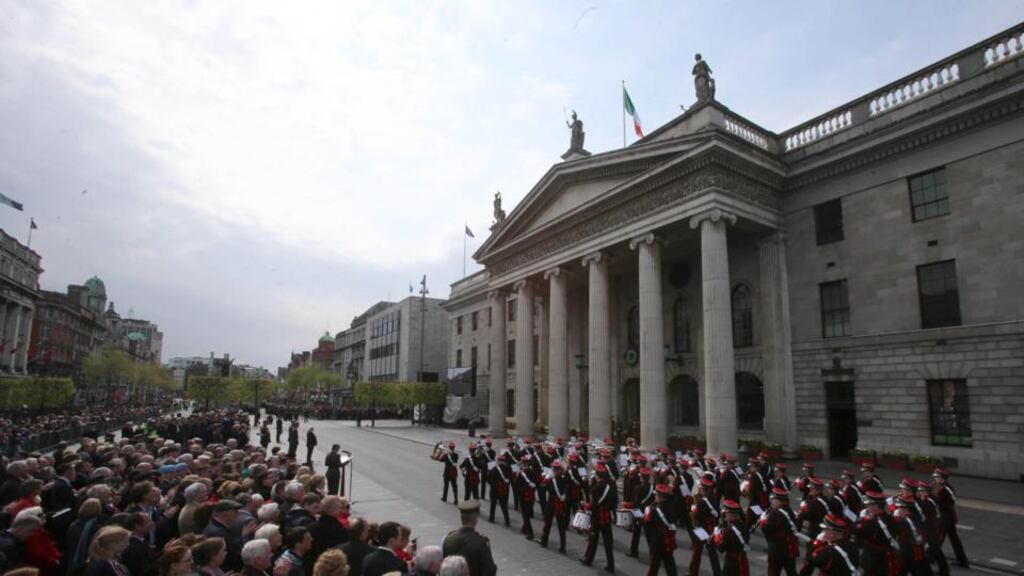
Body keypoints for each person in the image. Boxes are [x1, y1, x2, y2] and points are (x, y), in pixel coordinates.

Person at [441, 501, 496, 576]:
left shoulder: (448, 538)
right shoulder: (481, 542)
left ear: (461, 518)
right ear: (475, 519)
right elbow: (489, 571)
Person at [581, 462, 616, 573]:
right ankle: (611, 565)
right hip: (606, 517)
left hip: (597, 518)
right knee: (608, 543)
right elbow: (614, 504)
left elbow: (593, 505)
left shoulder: (595, 488)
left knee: (593, 539)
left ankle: (588, 560)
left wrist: (585, 505)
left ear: (597, 475)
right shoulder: (610, 488)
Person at [932, 468, 968, 568]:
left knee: (939, 538)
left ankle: (934, 558)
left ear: (942, 478)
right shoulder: (937, 486)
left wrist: (936, 500)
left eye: (937, 477)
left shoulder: (946, 488)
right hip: (943, 516)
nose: (935, 478)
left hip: (946, 517)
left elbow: (951, 502)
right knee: (951, 538)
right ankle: (962, 560)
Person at [760, 487, 800, 576]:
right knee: (791, 571)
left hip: (777, 549)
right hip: (790, 547)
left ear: (778, 501)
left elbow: (766, 529)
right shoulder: (789, 510)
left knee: (773, 572)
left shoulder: (776, 514)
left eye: (773, 499)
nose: (772, 502)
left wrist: (763, 520)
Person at [644, 483, 679, 576]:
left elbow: (647, 527)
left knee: (654, 567)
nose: (655, 496)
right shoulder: (673, 507)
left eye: (656, 495)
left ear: (661, 496)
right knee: (670, 565)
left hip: (657, 540)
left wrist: (648, 513)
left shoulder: (654, 511)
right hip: (668, 539)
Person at [539, 460, 570, 553]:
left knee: (561, 526)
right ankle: (544, 541)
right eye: (554, 469)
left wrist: (565, 495)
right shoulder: (551, 479)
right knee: (548, 523)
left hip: (558, 503)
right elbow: (542, 488)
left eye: (557, 469)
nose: (555, 471)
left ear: (560, 470)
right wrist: (545, 478)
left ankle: (562, 546)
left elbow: (568, 489)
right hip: (552, 503)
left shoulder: (563, 479)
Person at [713, 499, 749, 576]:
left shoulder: (729, 531)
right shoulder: (743, 526)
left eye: (726, 513)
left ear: (731, 515)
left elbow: (721, 549)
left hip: (731, 563)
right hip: (742, 559)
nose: (724, 515)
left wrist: (717, 536)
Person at [310, 496, 349, 562]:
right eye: (340, 508)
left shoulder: (311, 527)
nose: (341, 511)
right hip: (332, 563)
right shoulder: (338, 529)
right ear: (332, 510)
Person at [512, 456, 537, 540]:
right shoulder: (533, 473)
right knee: (527, 514)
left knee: (525, 516)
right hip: (531, 497)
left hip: (523, 497)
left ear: (523, 464)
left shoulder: (520, 474)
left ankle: (530, 533)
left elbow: (516, 485)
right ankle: (524, 528)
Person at [486, 453, 511, 526]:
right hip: (503, 490)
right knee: (504, 506)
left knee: (493, 505)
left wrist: (492, 484)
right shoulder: (508, 468)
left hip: (494, 489)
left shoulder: (494, 468)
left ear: (499, 461)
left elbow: (488, 478)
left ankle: (491, 518)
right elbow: (509, 479)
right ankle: (507, 520)